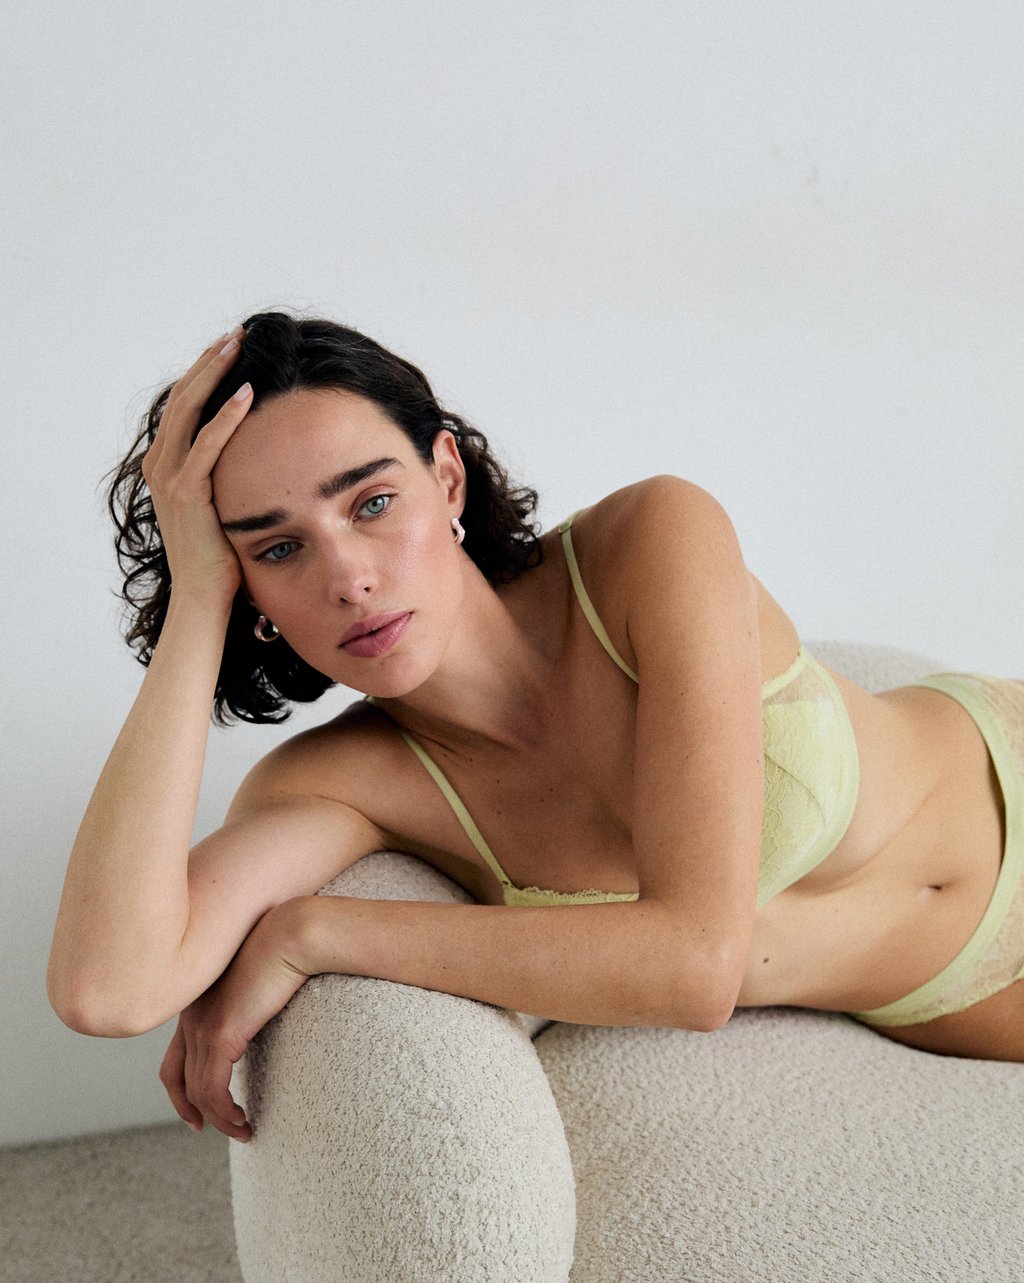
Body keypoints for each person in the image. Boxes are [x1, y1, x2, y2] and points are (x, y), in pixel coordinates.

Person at [47, 311, 1024, 1142]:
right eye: (277, 548)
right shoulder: (342, 786)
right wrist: (195, 601)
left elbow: (694, 967)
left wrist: (316, 929)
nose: (348, 577)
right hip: (946, 998)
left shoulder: (647, 544)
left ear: (447, 477)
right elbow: (109, 988)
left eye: (372, 501)